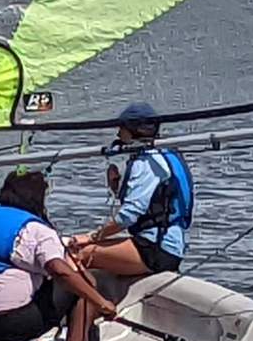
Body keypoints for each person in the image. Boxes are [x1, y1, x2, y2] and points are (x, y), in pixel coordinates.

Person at [0, 170, 116, 341]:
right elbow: (59, 271)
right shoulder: (38, 230)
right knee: (82, 286)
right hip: (4, 326)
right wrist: (101, 302)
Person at [72, 102, 192, 277]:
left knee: (79, 254)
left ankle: (99, 304)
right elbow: (154, 201)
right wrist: (117, 188)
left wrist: (92, 236)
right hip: (169, 243)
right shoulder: (167, 154)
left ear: (134, 130)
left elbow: (129, 214)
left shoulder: (145, 162)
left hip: (157, 249)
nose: (118, 133)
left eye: (122, 128)